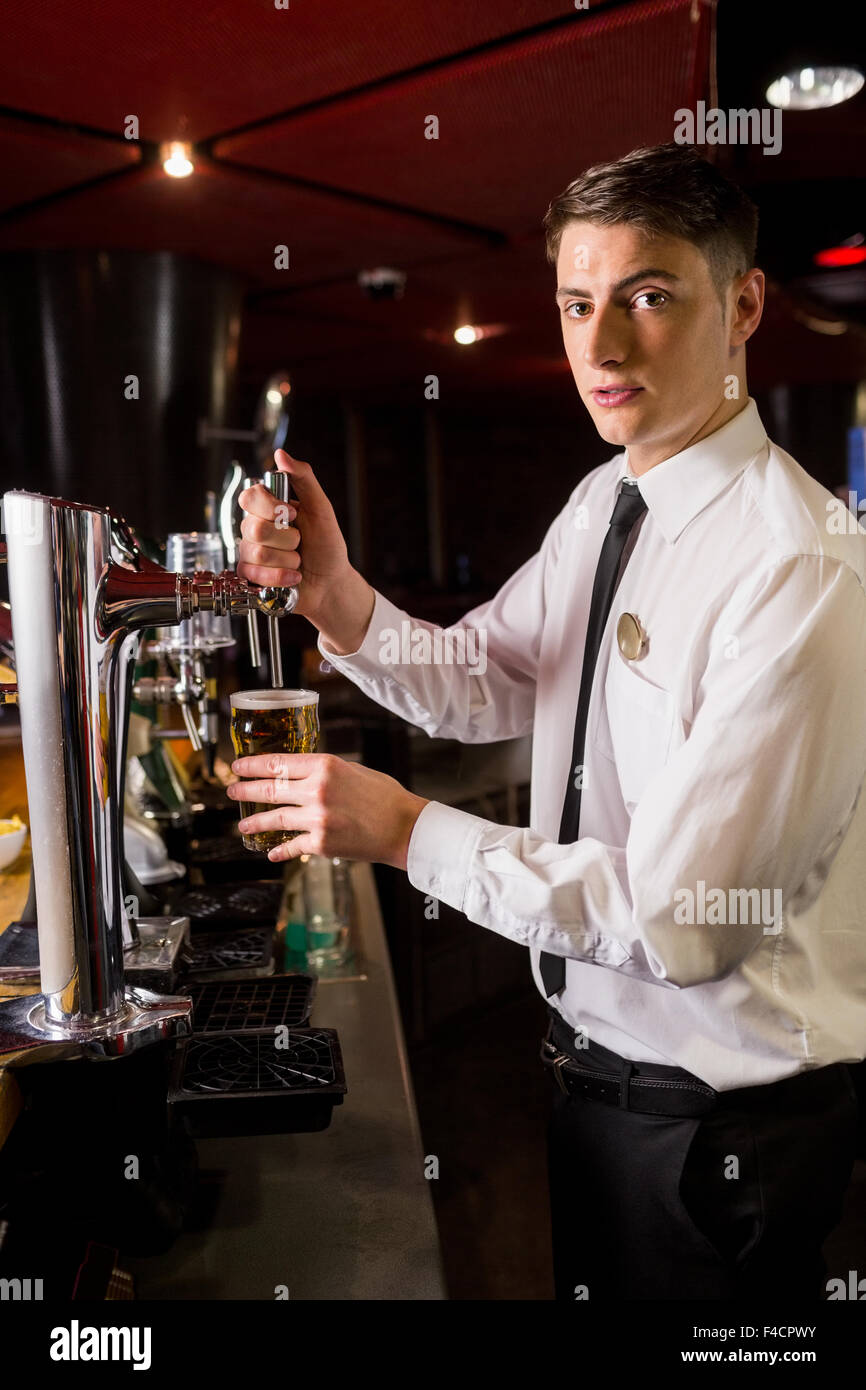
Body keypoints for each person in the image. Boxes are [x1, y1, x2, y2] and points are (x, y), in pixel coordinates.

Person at [230, 142, 866, 1301]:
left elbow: (682, 924)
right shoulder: (604, 496)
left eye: (647, 296)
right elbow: (484, 673)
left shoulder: (800, 565)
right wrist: (336, 595)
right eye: (576, 302)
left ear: (742, 304)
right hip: (588, 1085)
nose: (599, 346)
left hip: (719, 1136)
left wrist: (408, 832)